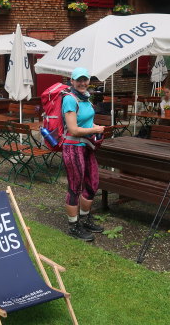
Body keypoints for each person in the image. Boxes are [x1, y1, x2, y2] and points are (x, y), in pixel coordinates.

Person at [62, 67, 106, 241]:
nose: (82, 83)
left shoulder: (86, 98)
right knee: (75, 187)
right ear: (71, 81)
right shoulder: (69, 99)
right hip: (73, 147)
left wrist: (95, 130)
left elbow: (86, 120)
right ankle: (73, 226)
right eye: (78, 80)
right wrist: (94, 129)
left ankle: (85, 218)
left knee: (92, 184)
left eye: (85, 79)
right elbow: (72, 129)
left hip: (87, 145)